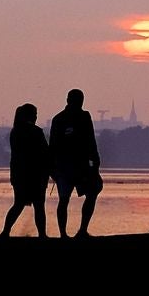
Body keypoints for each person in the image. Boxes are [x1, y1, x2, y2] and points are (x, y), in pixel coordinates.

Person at [50, 87, 101, 238]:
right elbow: (53, 145)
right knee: (65, 199)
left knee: (89, 194)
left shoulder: (63, 118)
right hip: (67, 167)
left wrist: (95, 161)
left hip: (77, 166)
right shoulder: (61, 119)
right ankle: (68, 233)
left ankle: (78, 231)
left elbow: (91, 140)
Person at [1, 102, 49, 237]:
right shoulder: (36, 131)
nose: (36, 117)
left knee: (18, 204)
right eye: (35, 114)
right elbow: (45, 152)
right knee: (39, 206)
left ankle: (5, 232)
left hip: (19, 174)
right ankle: (42, 235)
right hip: (36, 174)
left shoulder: (15, 131)